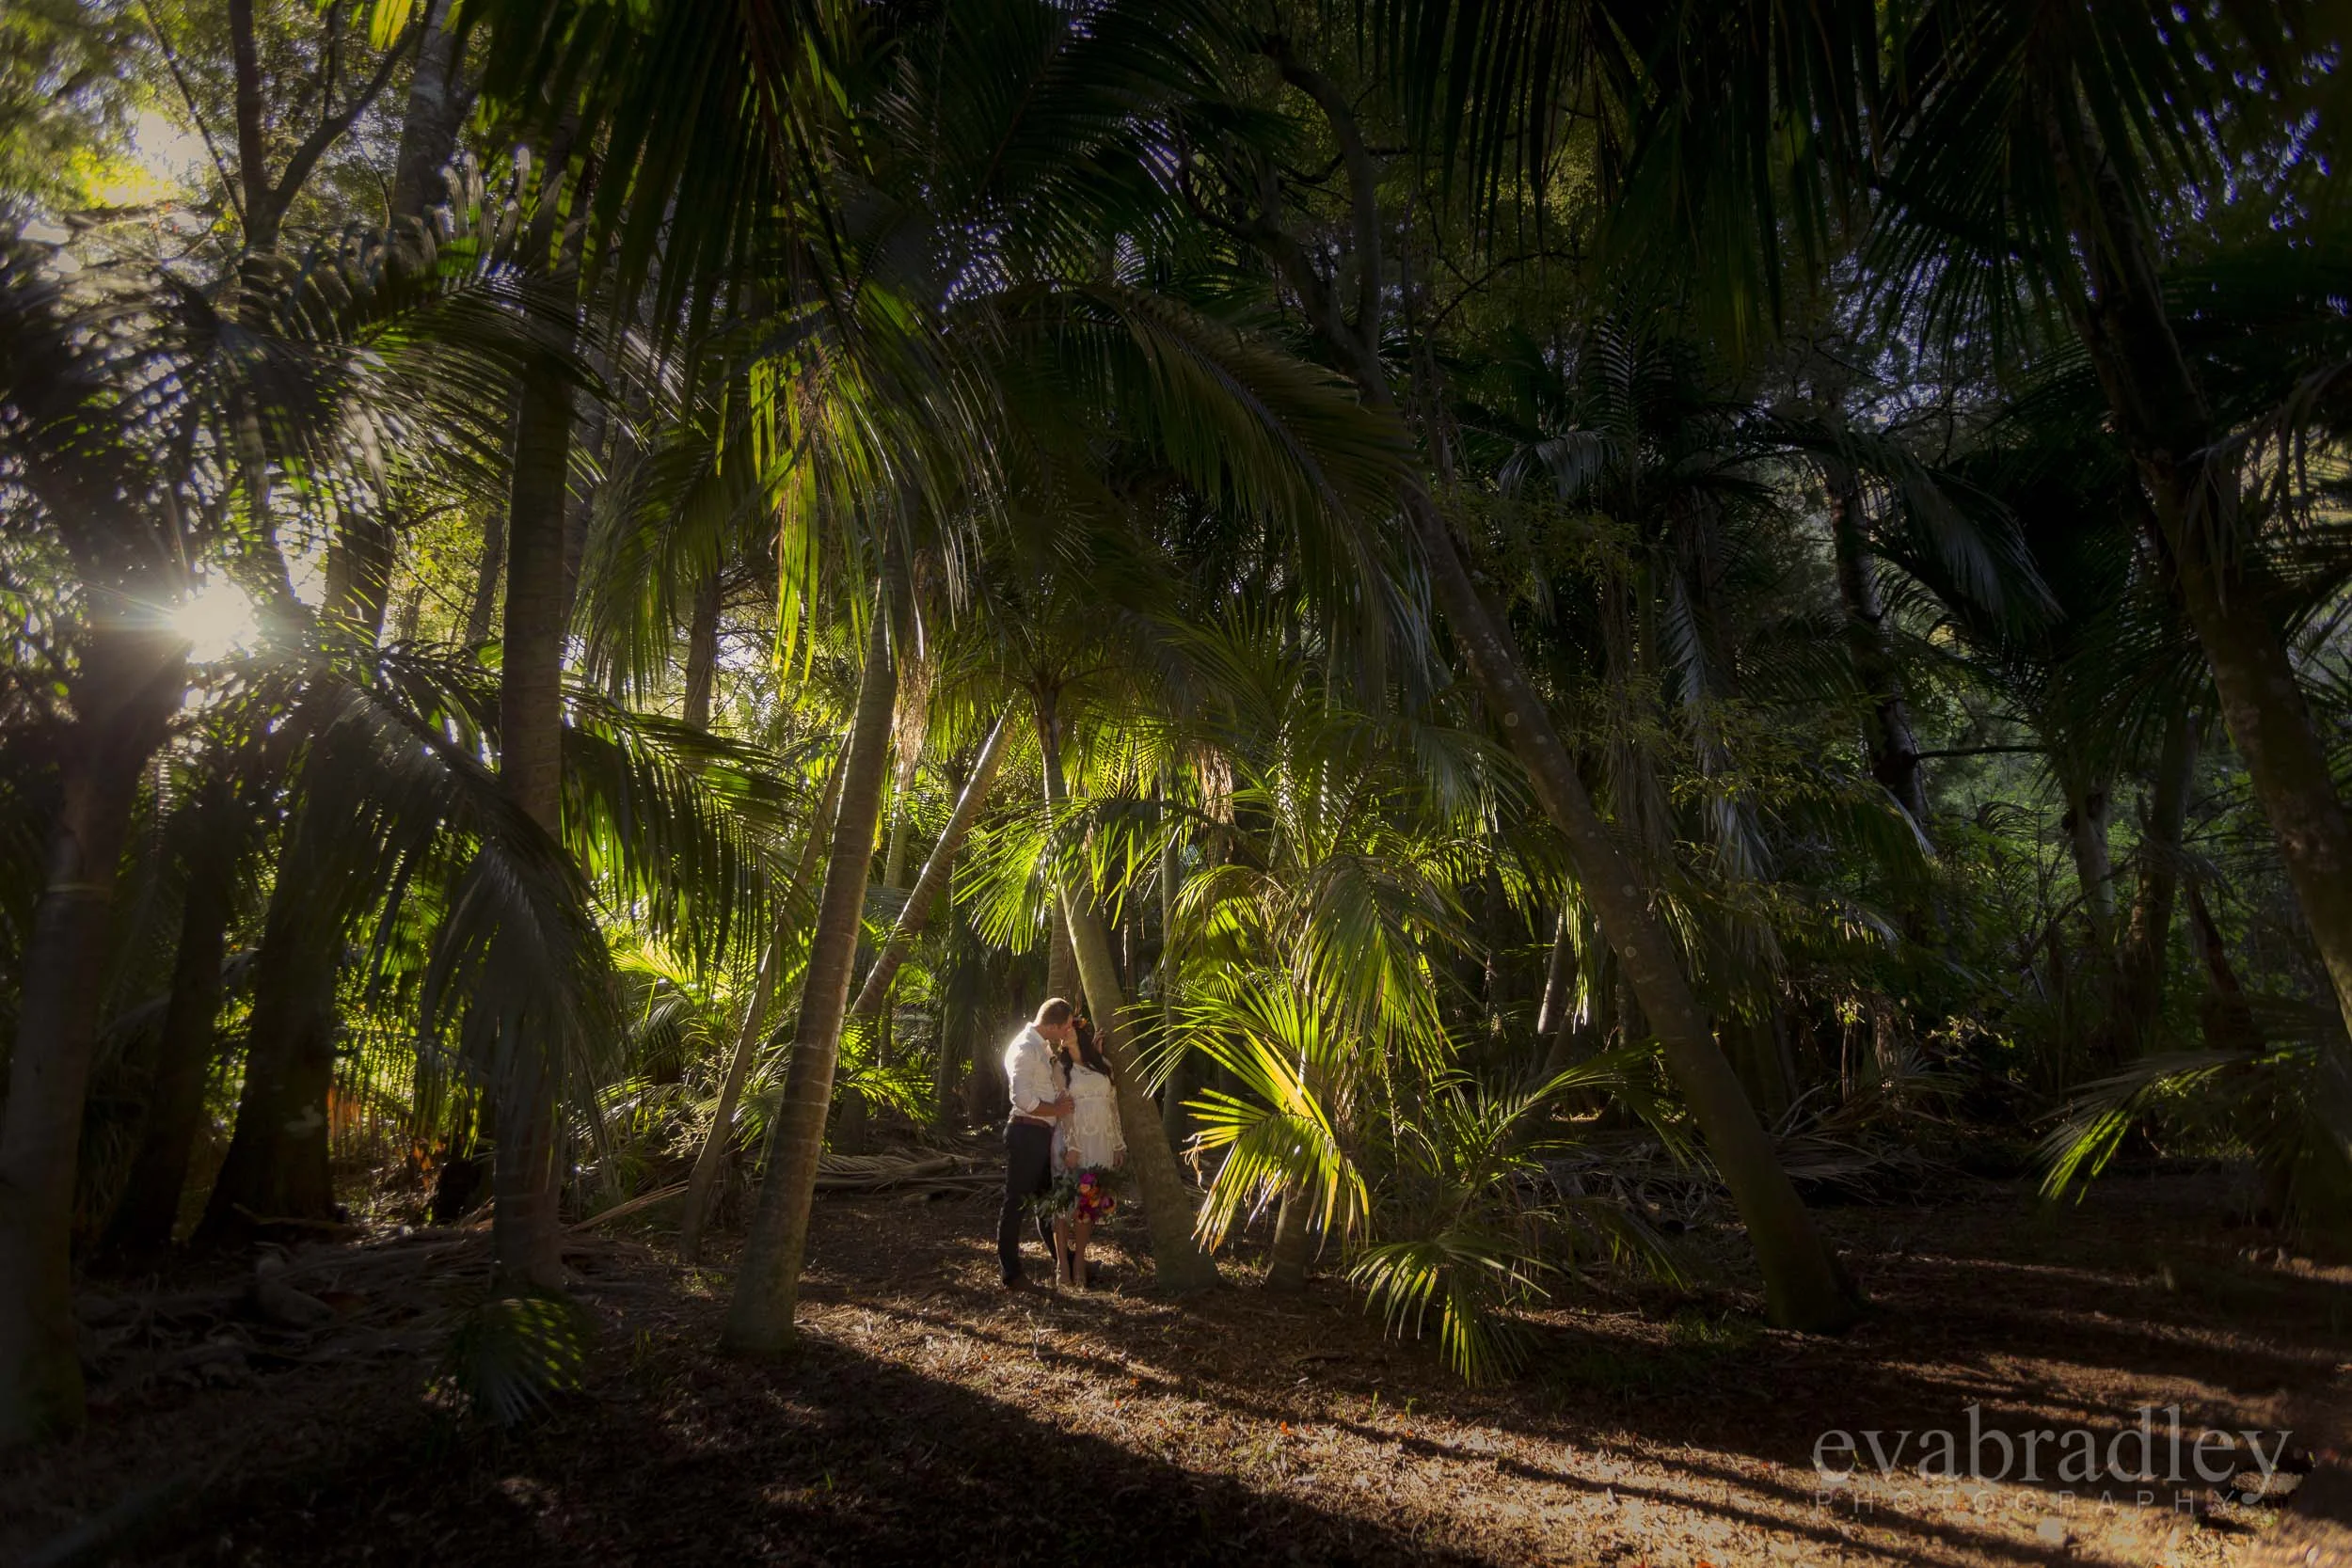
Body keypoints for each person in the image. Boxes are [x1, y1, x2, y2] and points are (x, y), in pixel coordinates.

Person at [998, 997, 1075, 1289]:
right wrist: (1057, 1110)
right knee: (1016, 1203)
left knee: (1047, 1203)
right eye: (1066, 1026)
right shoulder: (1025, 1047)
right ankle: (1011, 1272)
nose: (1068, 1031)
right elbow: (1023, 1099)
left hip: (1042, 1133)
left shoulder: (1042, 1045)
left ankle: (1064, 1262)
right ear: (1053, 1025)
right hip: (1026, 1132)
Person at [1050, 1016, 1125, 1291]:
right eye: (1062, 1029)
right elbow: (1063, 1109)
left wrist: (1118, 1143)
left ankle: (1080, 1260)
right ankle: (1062, 1264)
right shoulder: (1060, 1068)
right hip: (1073, 1141)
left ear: (1079, 1032)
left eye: (1068, 1027)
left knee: (1088, 1204)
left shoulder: (1103, 1066)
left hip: (1101, 1140)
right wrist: (1072, 1145)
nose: (1063, 1032)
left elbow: (1113, 1105)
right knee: (1064, 1203)